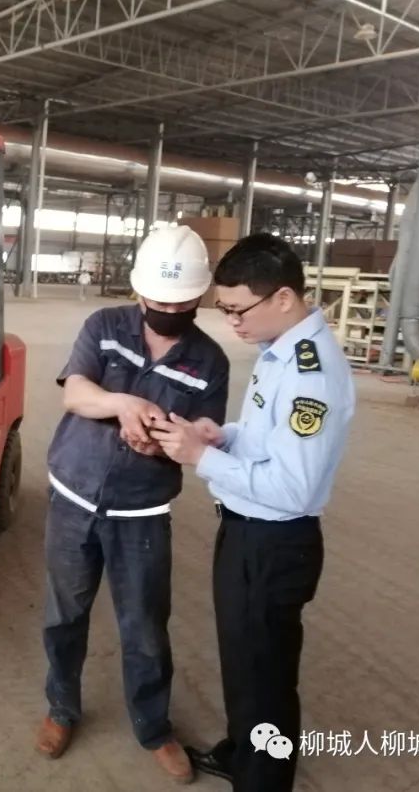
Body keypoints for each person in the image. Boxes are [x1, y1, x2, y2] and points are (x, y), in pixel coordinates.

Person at [150, 233, 356, 792]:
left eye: (238, 310)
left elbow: (292, 487)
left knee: (264, 674)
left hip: (273, 543)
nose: (232, 322)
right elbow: (268, 437)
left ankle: (263, 778)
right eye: (224, 309)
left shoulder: (311, 374)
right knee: (243, 661)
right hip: (247, 533)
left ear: (283, 298)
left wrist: (201, 458)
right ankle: (244, 750)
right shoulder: (279, 349)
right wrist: (222, 436)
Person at [36, 226, 230, 785]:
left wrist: (167, 443)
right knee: (64, 615)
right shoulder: (104, 326)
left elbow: (203, 434)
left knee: (144, 627)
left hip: (141, 512)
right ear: (139, 290)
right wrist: (122, 403)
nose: (168, 311)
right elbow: (76, 392)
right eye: (158, 301)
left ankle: (153, 727)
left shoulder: (209, 361)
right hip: (74, 496)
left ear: (199, 296)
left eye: (181, 303)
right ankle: (61, 708)